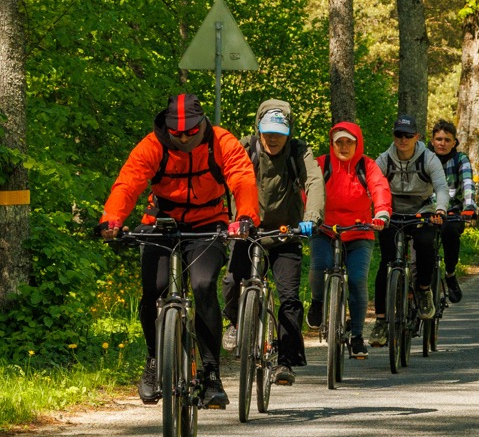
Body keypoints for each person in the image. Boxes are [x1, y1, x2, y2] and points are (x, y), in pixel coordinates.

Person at [97, 93, 259, 408]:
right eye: (177, 132)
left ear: (201, 124)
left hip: (208, 223)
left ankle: (211, 374)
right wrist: (112, 219)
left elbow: (242, 179)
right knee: (153, 289)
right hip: (161, 222)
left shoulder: (221, 142)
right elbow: (128, 183)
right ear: (167, 127)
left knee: (202, 285)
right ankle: (155, 359)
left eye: (190, 131)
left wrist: (245, 216)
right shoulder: (153, 145)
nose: (183, 137)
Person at [221, 100, 324, 386]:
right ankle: (236, 322)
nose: (273, 138)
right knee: (231, 282)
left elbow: (314, 181)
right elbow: (220, 178)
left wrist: (311, 217)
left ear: (289, 131)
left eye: (279, 132)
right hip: (246, 230)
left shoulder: (299, 151)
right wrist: (220, 217)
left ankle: (285, 362)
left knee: (289, 298)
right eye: (268, 133)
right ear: (259, 129)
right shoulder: (244, 148)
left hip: (285, 232)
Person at [308, 122, 392, 359]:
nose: (344, 146)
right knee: (317, 267)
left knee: (356, 280)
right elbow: (308, 189)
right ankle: (317, 302)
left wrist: (382, 213)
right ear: (332, 144)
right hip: (325, 229)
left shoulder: (368, 166)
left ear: (357, 143)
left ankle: (356, 337)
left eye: (349, 142)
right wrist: (307, 215)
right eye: (339, 142)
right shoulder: (322, 164)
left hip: (359, 231)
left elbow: (380, 188)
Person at [370, 115, 448, 347]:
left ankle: (423, 290)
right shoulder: (384, 160)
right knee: (386, 263)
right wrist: (371, 211)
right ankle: (381, 322)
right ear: (393, 136)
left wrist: (441, 210)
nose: (402, 140)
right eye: (398, 135)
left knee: (425, 244)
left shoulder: (429, 159)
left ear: (417, 137)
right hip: (391, 212)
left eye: (407, 135)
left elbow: (442, 187)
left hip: (421, 211)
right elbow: (371, 186)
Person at [430, 120, 477, 303]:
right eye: (439, 139)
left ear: (454, 142)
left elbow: (467, 183)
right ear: (432, 141)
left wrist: (469, 206)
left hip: (452, 211)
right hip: (427, 210)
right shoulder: (424, 157)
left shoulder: (460, 159)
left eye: (447, 140)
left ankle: (450, 273)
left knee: (450, 231)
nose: (442, 143)